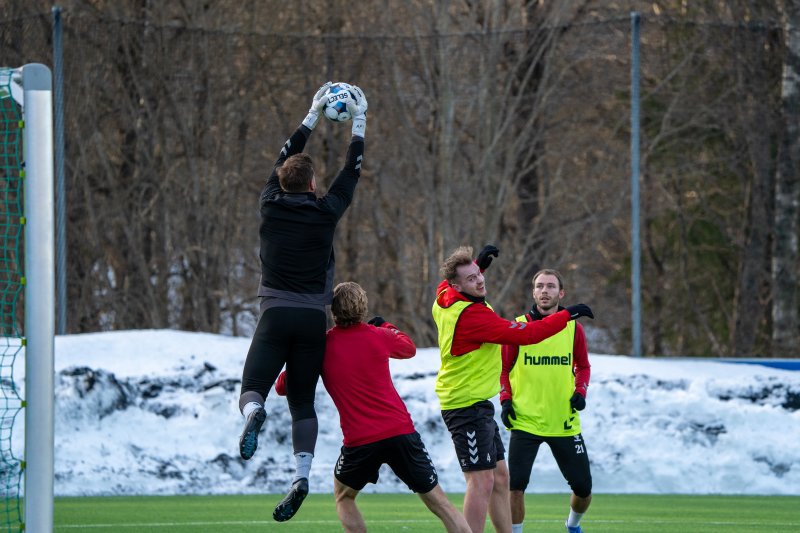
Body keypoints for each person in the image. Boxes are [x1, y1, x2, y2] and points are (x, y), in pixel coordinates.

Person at [237, 81, 368, 522]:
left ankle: (255, 413)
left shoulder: (269, 204)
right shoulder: (326, 210)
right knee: (303, 404)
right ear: (313, 183)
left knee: (253, 387)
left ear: (280, 181)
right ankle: (301, 475)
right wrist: (360, 123)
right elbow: (351, 173)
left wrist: (312, 114)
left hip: (274, 313)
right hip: (313, 317)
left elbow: (283, 155)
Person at [275, 282, 472, 533]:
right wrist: (384, 325)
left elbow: (282, 387)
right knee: (441, 505)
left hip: (360, 442)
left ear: (332, 311)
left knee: (344, 498)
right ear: (363, 308)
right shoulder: (379, 335)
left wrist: (298, 355)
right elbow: (409, 347)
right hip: (401, 433)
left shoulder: (320, 346)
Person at [431, 245, 594, 533]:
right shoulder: (471, 316)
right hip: (464, 404)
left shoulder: (445, 295)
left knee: (500, 479)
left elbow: (446, 282)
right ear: (458, 286)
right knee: (480, 482)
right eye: (471, 279)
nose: (480, 281)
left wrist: (477, 268)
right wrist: (567, 315)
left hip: (480, 404)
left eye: (478, 275)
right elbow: (530, 334)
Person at [499, 269, 593, 533]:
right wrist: (505, 400)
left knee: (584, 489)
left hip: (563, 421)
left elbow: (584, 366)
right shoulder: (517, 326)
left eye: (551, 286)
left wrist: (581, 392)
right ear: (533, 292)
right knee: (515, 486)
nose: (544, 291)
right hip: (525, 421)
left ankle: (572, 526)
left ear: (560, 293)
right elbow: (503, 370)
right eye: (539, 286)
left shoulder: (574, 328)